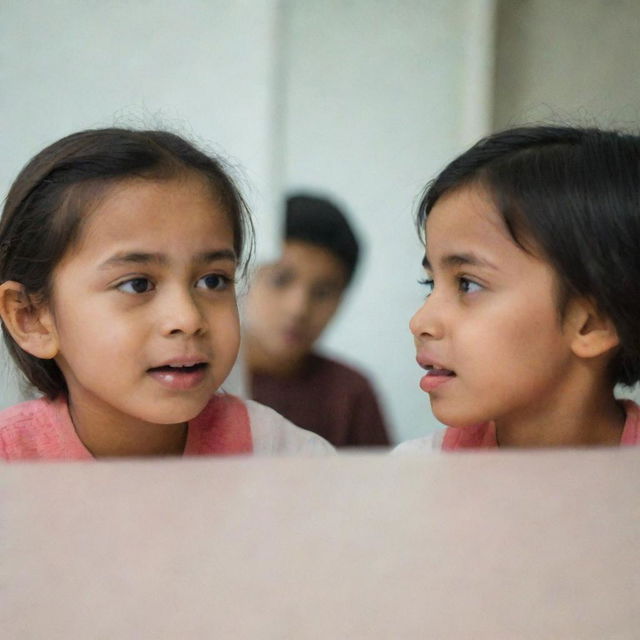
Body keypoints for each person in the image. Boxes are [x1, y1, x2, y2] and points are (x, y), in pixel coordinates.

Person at [0, 129, 334, 460]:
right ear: (31, 318)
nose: (188, 319)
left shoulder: (280, 457)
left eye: (213, 281)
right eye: (137, 284)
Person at [395, 125, 640, 452]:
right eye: (431, 283)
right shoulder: (413, 476)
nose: (420, 323)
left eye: (467, 284)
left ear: (592, 323)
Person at [244, 194, 391, 447]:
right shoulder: (204, 381)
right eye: (280, 280)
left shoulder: (351, 394)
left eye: (323, 292)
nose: (298, 308)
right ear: (243, 275)